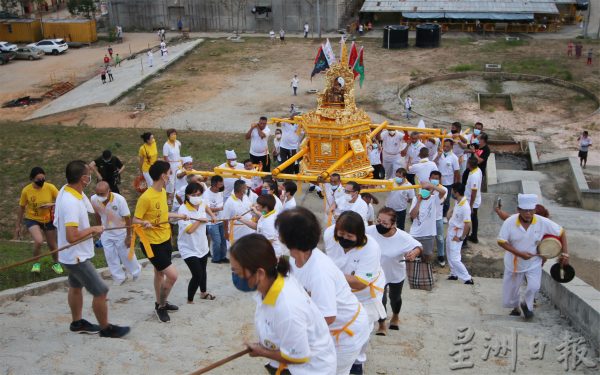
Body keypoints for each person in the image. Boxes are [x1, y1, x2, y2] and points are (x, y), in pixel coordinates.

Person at [278, 207, 371, 375]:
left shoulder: (319, 272)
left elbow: (327, 317)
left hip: (344, 332)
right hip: (326, 329)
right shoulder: (293, 260)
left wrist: (293, 331)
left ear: (289, 239)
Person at [230, 234, 337, 374]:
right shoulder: (271, 282)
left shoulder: (287, 307)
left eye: (237, 272)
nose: (234, 276)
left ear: (260, 273)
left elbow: (298, 357)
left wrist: (262, 351)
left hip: (310, 369)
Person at [54, 160, 129, 337]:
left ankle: (77, 322)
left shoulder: (66, 190)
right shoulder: (70, 201)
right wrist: (93, 229)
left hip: (69, 254)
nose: (91, 177)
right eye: (89, 174)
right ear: (83, 179)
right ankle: (106, 328)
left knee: (75, 286)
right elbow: (72, 236)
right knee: (101, 291)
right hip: (76, 257)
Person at [324, 211, 386, 375]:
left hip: (365, 293)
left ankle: (358, 361)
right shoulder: (330, 234)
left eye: (349, 236)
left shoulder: (371, 248)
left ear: (360, 234)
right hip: (339, 289)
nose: (344, 238)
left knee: (362, 328)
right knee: (336, 322)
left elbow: (360, 283)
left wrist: (330, 275)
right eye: (341, 234)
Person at [497, 194, 569, 318]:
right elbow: (501, 241)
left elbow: (561, 232)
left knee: (534, 286)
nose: (528, 213)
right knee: (511, 294)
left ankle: (527, 305)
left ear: (535, 211)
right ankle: (516, 308)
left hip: (533, 262)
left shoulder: (542, 222)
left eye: (531, 210)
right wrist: (519, 254)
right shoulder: (510, 222)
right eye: (525, 210)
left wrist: (565, 254)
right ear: (518, 210)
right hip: (514, 262)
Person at [133, 160, 187, 323]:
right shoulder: (146, 197)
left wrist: (179, 215)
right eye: (169, 173)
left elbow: (163, 215)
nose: (171, 175)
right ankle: (161, 305)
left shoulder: (162, 192)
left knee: (159, 273)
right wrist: (144, 223)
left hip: (164, 239)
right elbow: (135, 219)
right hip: (151, 244)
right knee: (172, 275)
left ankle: (160, 302)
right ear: (163, 175)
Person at [366, 207, 421, 336]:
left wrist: (414, 253)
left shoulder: (402, 237)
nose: (380, 225)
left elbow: (418, 246)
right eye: (378, 221)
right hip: (376, 275)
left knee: (395, 298)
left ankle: (395, 315)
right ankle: (381, 324)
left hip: (395, 273)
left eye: (385, 223)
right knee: (380, 300)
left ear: (393, 224)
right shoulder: (369, 231)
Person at [91, 181, 141, 285]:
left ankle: (136, 272)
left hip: (121, 232)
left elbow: (127, 218)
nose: (100, 196)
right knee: (110, 256)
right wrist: (99, 228)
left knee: (126, 255)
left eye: (102, 193)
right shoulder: (94, 199)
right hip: (106, 232)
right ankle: (119, 277)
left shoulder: (119, 200)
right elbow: (97, 214)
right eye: (98, 194)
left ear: (109, 191)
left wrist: (128, 236)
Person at [15, 167, 61, 274]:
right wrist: (18, 225)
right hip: (32, 219)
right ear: (32, 179)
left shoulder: (50, 187)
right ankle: (36, 264)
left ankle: (56, 264)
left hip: (48, 219)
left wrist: (51, 204)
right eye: (38, 179)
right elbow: (21, 207)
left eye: (43, 179)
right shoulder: (26, 190)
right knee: (39, 240)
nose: (41, 181)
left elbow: (62, 200)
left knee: (52, 244)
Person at [178, 182, 217, 303]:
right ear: (187, 195)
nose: (197, 197)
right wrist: (199, 221)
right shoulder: (183, 210)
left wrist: (212, 215)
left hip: (202, 244)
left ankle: (203, 293)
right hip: (188, 247)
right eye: (194, 194)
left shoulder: (201, 203)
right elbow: (189, 231)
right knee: (197, 274)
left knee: (203, 270)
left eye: (199, 194)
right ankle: (190, 299)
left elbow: (205, 206)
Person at [409, 181, 446, 264]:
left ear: (431, 191)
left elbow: (443, 192)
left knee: (427, 256)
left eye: (427, 189)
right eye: (423, 189)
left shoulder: (434, 199)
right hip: (415, 234)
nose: (424, 191)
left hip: (429, 234)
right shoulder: (416, 199)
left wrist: (431, 185)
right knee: (412, 256)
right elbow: (413, 215)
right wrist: (419, 201)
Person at [445, 183, 474, 285]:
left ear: (456, 192)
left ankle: (467, 278)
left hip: (457, 233)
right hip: (451, 230)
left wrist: (461, 238)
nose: (451, 192)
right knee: (449, 252)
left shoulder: (465, 206)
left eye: (452, 190)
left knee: (455, 258)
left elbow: (467, 225)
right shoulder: (458, 201)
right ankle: (454, 273)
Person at [203, 175, 228, 264]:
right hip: (211, 222)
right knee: (217, 241)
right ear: (214, 184)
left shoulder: (221, 192)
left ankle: (223, 256)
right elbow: (206, 208)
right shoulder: (206, 194)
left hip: (221, 219)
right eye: (220, 185)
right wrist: (219, 208)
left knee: (224, 240)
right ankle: (216, 258)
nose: (221, 187)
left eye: (222, 184)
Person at [434, 138, 460, 220]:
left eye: (447, 147)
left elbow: (456, 171)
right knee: (437, 197)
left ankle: (445, 215)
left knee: (446, 200)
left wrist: (456, 183)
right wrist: (438, 156)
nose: (445, 148)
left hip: (448, 182)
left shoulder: (454, 158)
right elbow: (433, 163)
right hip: (437, 181)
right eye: (444, 146)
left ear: (451, 147)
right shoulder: (439, 154)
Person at [223, 180, 255, 244]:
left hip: (249, 229)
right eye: (245, 187)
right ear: (241, 189)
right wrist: (226, 232)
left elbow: (250, 207)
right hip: (237, 231)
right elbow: (225, 219)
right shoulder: (229, 202)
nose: (247, 189)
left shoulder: (245, 196)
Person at [429, 171, 448, 267]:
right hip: (427, 218)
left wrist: (432, 186)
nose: (434, 180)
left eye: (436, 178)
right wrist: (430, 188)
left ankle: (441, 255)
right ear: (429, 178)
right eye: (433, 178)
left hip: (438, 218)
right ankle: (426, 255)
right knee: (427, 238)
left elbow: (442, 197)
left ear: (440, 179)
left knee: (440, 239)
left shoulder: (444, 189)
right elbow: (425, 197)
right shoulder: (425, 189)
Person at [464, 157, 482, 244]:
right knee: (474, 219)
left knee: (468, 219)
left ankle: (465, 239)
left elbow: (473, 192)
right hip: (473, 200)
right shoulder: (478, 170)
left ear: (469, 164)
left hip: (472, 202)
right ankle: (474, 236)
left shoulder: (474, 176)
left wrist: (470, 206)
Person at [163, 128, 182, 202]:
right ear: (168, 135)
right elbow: (165, 157)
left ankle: (176, 197)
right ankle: (168, 197)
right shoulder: (166, 145)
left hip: (178, 164)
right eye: (172, 134)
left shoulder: (177, 143)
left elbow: (179, 150)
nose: (174, 136)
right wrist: (169, 168)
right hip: (171, 164)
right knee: (170, 182)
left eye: (175, 134)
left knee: (178, 180)